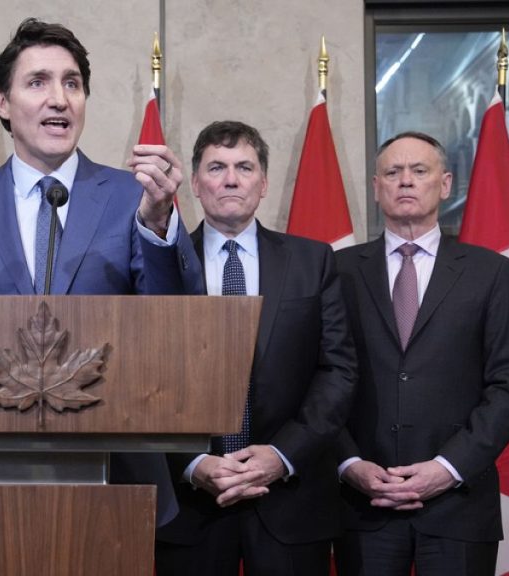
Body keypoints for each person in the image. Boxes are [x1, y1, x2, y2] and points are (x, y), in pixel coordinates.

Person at [0, 18, 203, 525]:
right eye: (37, 82)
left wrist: (158, 223)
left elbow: (175, 321)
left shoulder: (133, 197)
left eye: (72, 83)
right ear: (3, 103)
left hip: (120, 474)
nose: (59, 99)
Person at [155, 121, 357, 576]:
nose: (231, 178)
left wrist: (280, 455)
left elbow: (338, 371)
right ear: (196, 184)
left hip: (290, 498)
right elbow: (146, 380)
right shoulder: (160, 267)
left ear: (263, 184)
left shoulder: (313, 260)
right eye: (217, 167)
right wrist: (193, 463)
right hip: (192, 505)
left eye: (244, 167)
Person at [334, 132, 509, 576]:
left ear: (444, 184)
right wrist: (349, 465)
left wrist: (448, 467)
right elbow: (319, 379)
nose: (406, 181)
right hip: (365, 504)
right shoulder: (338, 271)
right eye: (393, 172)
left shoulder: (492, 273)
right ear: (376, 187)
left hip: (459, 505)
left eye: (419, 171)